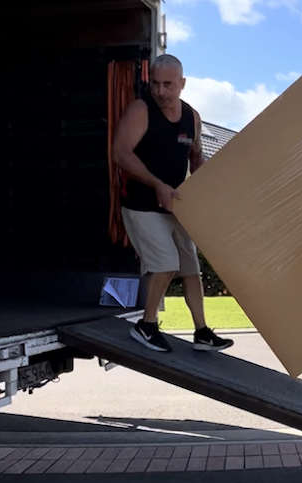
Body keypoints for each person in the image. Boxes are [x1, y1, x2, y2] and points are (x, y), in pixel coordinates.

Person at [112, 54, 233, 353]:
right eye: (155, 83)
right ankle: (146, 325)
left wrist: (205, 187)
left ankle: (202, 332)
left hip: (175, 205)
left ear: (182, 84)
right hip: (141, 204)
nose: (160, 91)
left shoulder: (192, 117)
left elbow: (196, 156)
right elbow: (121, 153)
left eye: (167, 84)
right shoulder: (142, 111)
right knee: (165, 264)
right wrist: (156, 184)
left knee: (191, 268)